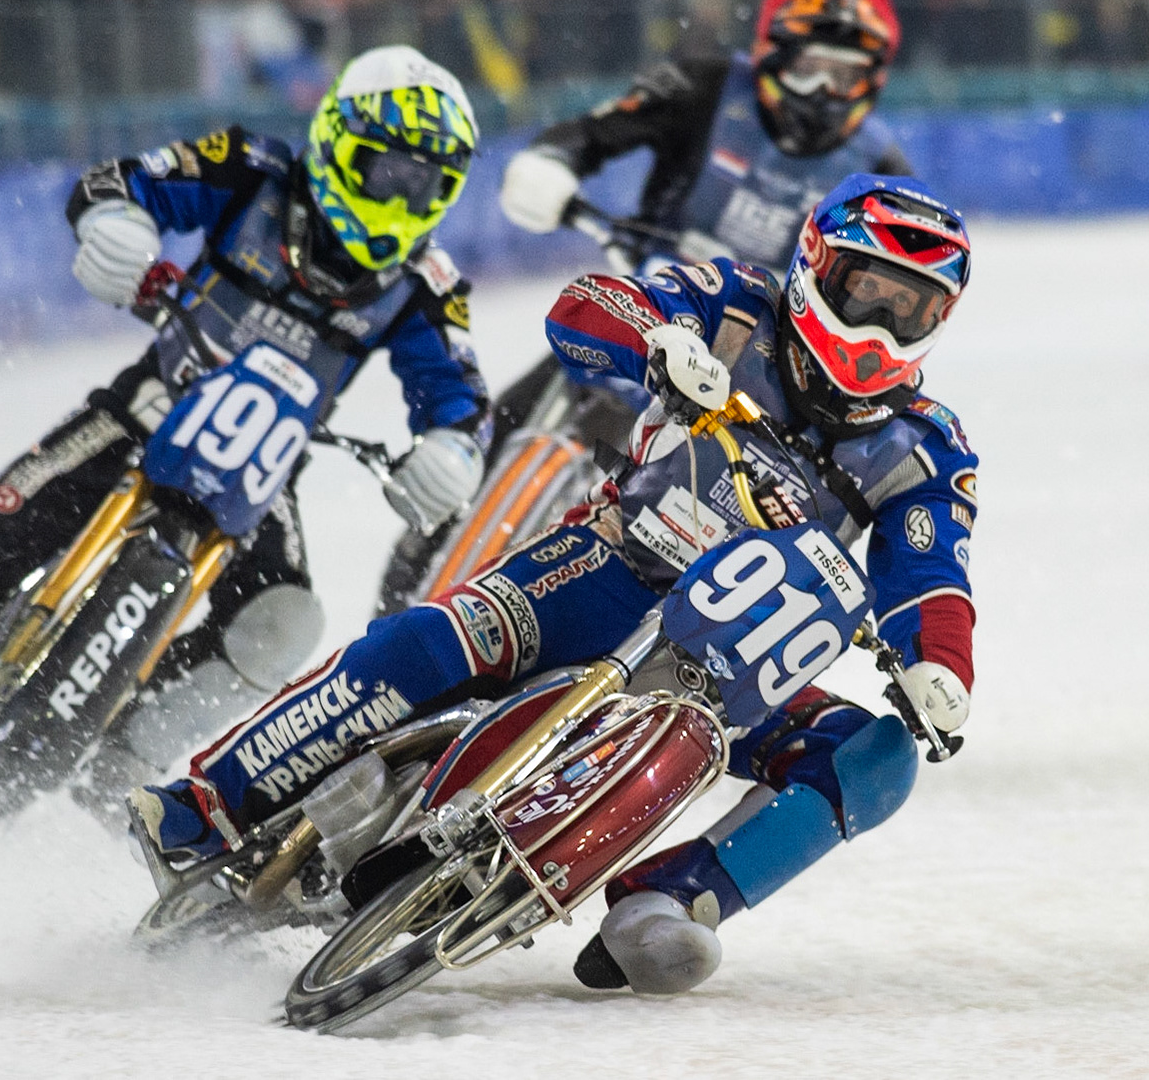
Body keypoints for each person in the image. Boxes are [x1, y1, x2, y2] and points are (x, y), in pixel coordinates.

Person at [131, 172, 979, 995]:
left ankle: (671, 902)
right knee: (433, 641)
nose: (882, 324)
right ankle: (207, 803)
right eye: (869, 290)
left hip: (736, 667)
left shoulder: (928, 447)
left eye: (912, 309)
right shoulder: (732, 301)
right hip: (609, 568)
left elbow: (930, 567)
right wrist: (658, 341)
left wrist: (940, 664)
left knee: (875, 759)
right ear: (816, 271)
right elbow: (587, 306)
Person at [0, 47, 494, 802]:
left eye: (427, 185)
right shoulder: (250, 168)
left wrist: (453, 449)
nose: (403, 200)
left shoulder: (426, 288)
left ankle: (127, 751)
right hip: (148, 407)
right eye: (389, 172)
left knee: (281, 623)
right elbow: (119, 182)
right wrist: (117, 225)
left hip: (267, 470)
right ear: (338, 140)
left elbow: (462, 395)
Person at [498, 0, 913, 273]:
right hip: (649, 294)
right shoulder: (703, 87)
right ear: (771, 57)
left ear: (872, 80)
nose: (822, 90)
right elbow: (594, 133)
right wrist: (554, 160)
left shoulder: (879, 166)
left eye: (843, 75)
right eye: (808, 68)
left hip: (779, 343)